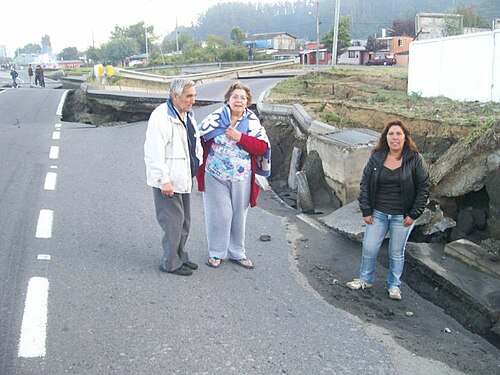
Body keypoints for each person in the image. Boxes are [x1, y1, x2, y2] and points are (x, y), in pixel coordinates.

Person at [346, 119, 430, 300]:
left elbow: (424, 188)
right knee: (369, 247)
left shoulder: (414, 159)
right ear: (385, 137)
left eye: (399, 134)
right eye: (391, 133)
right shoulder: (376, 157)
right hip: (378, 213)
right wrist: (366, 210)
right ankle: (365, 279)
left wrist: (413, 214)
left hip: (403, 216)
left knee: (396, 252)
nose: (395, 137)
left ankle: (394, 286)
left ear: (405, 137)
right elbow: (365, 184)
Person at [196, 82, 271, 269]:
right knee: (220, 214)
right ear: (228, 99)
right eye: (235, 96)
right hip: (215, 175)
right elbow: (197, 138)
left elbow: (262, 147)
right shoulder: (214, 118)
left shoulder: (252, 122)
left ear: (247, 102)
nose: (239, 100)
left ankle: (238, 253)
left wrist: (241, 138)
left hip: (242, 177)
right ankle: (216, 253)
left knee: (239, 215)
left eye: (243, 98)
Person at [144, 78, 203, 276]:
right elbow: (153, 151)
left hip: (183, 177)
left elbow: (193, 143)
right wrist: (163, 180)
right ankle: (170, 262)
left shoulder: (187, 114)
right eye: (188, 96)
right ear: (175, 96)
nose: (192, 100)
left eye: (194, 95)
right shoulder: (161, 116)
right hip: (169, 181)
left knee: (184, 222)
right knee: (172, 223)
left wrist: (198, 163)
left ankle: (180, 256)